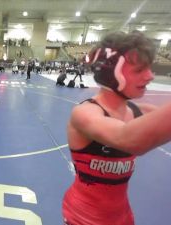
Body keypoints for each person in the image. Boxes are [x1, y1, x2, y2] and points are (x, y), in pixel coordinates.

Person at [62, 31, 171, 225]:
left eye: (149, 68)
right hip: (83, 219)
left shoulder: (141, 111)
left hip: (122, 217)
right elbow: (128, 139)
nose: (150, 76)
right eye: (139, 70)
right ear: (111, 73)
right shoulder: (85, 113)